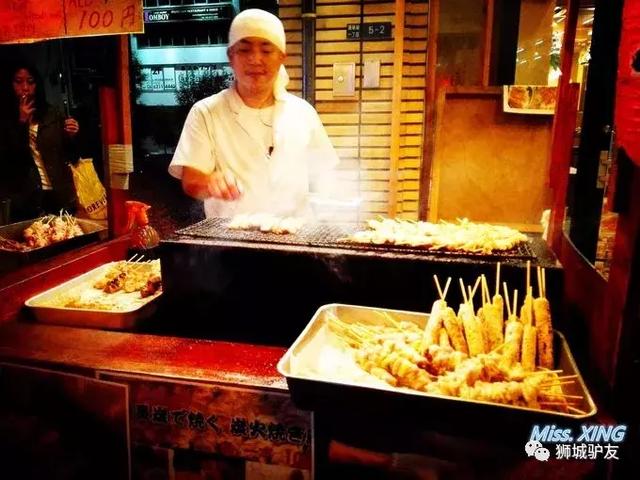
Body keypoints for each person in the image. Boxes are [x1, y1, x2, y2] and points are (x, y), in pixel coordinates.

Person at [169, 9, 339, 218]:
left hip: (295, 239)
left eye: (266, 51)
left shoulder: (303, 113)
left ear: (281, 57)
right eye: (244, 49)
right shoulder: (206, 112)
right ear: (231, 57)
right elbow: (191, 180)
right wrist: (211, 182)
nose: (255, 59)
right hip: (229, 241)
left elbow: (325, 171)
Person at [0, 62, 80, 222]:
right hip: (25, 198)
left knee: (63, 238)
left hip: (58, 193)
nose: (25, 88)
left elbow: (72, 156)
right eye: (18, 81)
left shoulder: (52, 113)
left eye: (30, 82)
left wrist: (72, 135)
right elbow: (9, 159)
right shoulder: (4, 118)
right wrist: (21, 123)